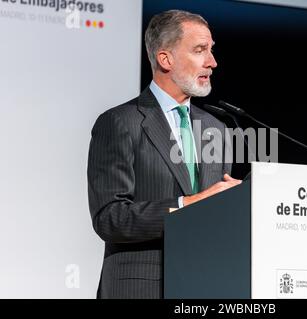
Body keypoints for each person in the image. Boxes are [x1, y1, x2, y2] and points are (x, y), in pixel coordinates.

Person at [87, 10, 241, 299]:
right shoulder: (120, 122)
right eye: (200, 50)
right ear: (165, 59)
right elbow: (111, 218)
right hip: (141, 288)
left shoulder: (216, 128)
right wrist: (190, 204)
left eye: (211, 50)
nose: (212, 62)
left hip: (206, 287)